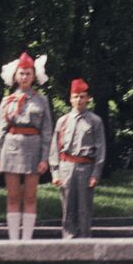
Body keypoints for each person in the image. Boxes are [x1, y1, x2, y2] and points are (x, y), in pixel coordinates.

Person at [0, 51, 55, 241]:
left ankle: (27, 239)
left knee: (30, 196)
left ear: (34, 76)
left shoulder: (41, 100)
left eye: (28, 73)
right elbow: (0, 130)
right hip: (10, 148)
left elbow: (47, 131)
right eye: (22, 73)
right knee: (12, 196)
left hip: (33, 149)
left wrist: (45, 157)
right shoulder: (6, 101)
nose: (25, 77)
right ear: (15, 76)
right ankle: (13, 239)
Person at [51, 78, 105, 240]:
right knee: (67, 207)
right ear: (70, 99)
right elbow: (54, 148)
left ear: (88, 98)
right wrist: (55, 172)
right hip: (66, 166)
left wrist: (96, 174)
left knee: (84, 207)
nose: (79, 100)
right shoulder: (63, 121)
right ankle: (68, 242)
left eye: (82, 96)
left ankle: (85, 241)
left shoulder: (95, 121)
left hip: (85, 168)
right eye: (75, 96)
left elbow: (100, 149)